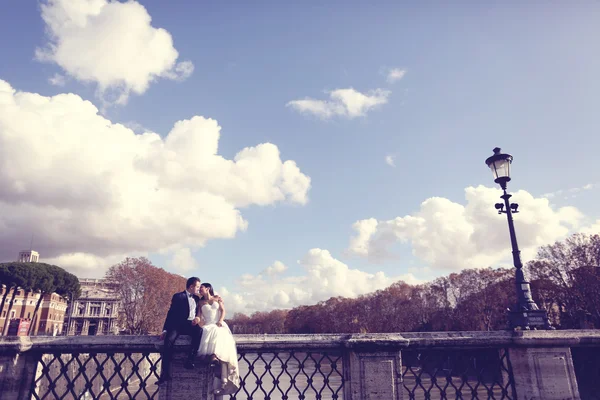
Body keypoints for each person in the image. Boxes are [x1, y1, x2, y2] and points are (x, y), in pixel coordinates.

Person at [156, 277, 203, 385]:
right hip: (177, 325)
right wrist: (165, 330)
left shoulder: (197, 298)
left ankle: (190, 360)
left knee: (199, 331)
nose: (198, 289)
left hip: (190, 324)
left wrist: (197, 318)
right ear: (191, 286)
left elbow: (205, 304)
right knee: (168, 342)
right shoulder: (178, 296)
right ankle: (165, 374)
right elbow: (170, 313)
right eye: (197, 286)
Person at [197, 282, 240, 395]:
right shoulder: (200, 302)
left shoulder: (217, 298)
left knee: (220, 334)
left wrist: (220, 321)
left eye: (201, 288)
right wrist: (197, 320)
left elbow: (223, 311)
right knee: (213, 333)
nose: (199, 290)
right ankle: (221, 376)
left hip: (218, 323)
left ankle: (215, 359)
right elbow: (199, 315)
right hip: (208, 326)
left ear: (208, 288)